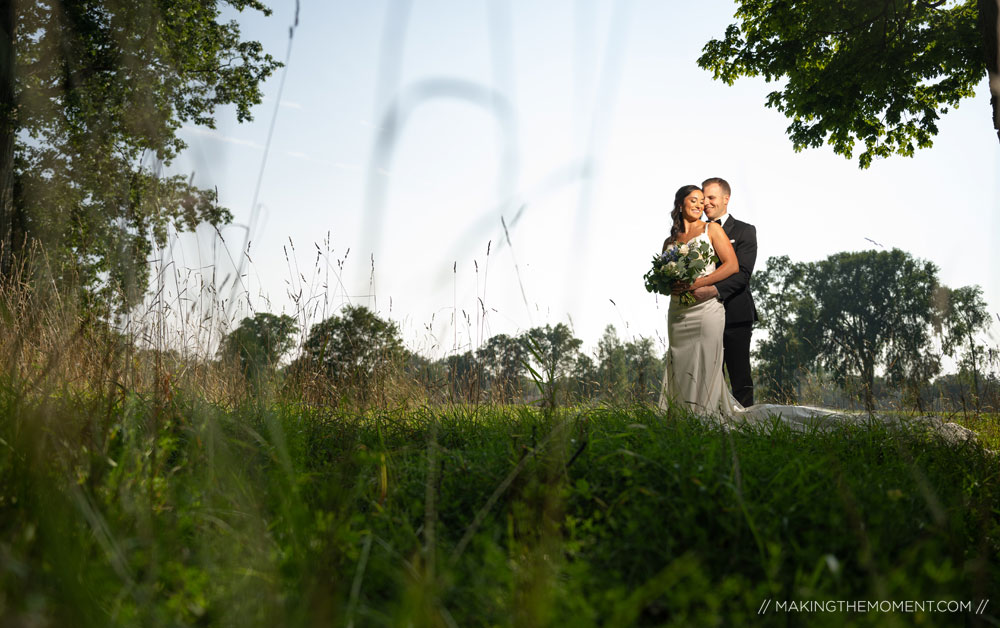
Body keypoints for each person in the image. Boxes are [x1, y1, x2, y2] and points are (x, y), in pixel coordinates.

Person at [657, 185, 738, 415]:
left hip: (706, 310)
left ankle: (706, 415)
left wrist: (700, 283)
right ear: (680, 204)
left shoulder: (712, 229)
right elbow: (664, 279)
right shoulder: (670, 241)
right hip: (678, 311)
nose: (699, 205)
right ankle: (680, 415)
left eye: (702, 201)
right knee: (680, 362)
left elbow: (732, 265)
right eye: (694, 200)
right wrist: (670, 285)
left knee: (706, 362)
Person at [691, 177, 757, 407]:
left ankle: (747, 421)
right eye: (703, 198)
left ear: (726, 199)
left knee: (740, 376)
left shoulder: (745, 231)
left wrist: (713, 290)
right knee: (706, 375)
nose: (706, 203)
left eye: (712, 197)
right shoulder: (696, 233)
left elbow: (743, 274)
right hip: (702, 314)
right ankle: (709, 420)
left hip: (736, 313)